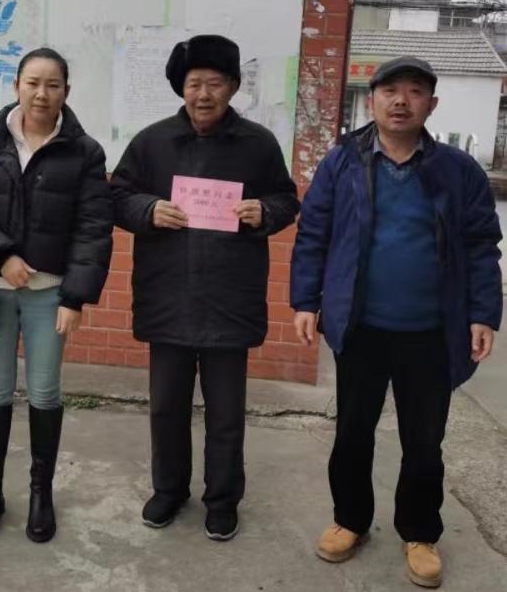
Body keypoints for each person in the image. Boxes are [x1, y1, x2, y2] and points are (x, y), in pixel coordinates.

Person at [290, 56, 502, 588]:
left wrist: (484, 312)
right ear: (373, 101)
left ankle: (420, 532)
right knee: (353, 432)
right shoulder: (342, 161)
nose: (401, 101)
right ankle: (350, 520)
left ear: (432, 104)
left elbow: (481, 244)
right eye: (390, 91)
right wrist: (306, 300)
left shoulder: (458, 170)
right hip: (361, 327)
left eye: (415, 91)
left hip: (431, 331)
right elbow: (314, 232)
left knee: (424, 442)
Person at [110, 34, 300, 541]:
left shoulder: (258, 144)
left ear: (233, 87)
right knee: (166, 407)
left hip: (229, 297)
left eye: (215, 83)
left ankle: (222, 499)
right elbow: (118, 196)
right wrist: (148, 209)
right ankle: (169, 489)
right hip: (167, 294)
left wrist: (265, 212)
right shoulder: (152, 142)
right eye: (194, 83)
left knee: (226, 413)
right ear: (181, 87)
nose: (203, 94)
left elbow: (286, 199)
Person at [0, 47, 113, 545]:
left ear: (66, 91)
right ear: (16, 85)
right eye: (33, 82)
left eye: (53, 84)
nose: (42, 93)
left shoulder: (84, 152)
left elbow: (93, 227)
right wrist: (0, 257)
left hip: (49, 296)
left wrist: (75, 297)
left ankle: (42, 493)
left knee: (44, 392)